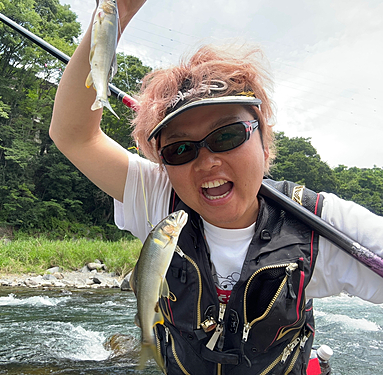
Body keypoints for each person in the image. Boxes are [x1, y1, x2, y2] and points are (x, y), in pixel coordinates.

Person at [49, 1, 383, 373]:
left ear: (265, 142)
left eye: (227, 136)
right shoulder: (161, 199)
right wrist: (114, 16)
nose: (206, 161)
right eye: (179, 149)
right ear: (164, 163)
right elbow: (72, 134)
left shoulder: (321, 224)